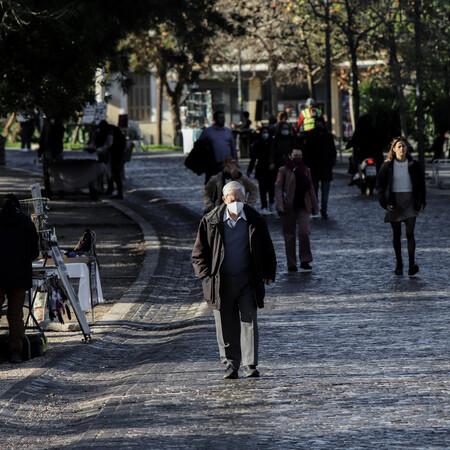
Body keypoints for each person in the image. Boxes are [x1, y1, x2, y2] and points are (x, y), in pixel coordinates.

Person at [192, 181, 276, 379]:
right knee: (225, 324)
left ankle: (250, 364)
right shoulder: (211, 221)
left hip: (248, 279)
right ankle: (230, 364)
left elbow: (267, 248)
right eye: (232, 199)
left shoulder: (255, 220)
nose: (237, 202)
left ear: (245, 199)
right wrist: (205, 275)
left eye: (240, 199)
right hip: (221, 282)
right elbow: (199, 253)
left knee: (249, 322)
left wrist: (269, 272)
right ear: (224, 200)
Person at [376, 137, 426, 276]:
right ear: (394, 149)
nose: (402, 149)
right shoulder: (387, 166)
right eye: (399, 146)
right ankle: (399, 264)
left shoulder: (413, 165)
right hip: (395, 201)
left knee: (410, 233)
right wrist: (384, 203)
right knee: (396, 234)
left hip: (410, 200)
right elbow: (380, 186)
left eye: (404, 146)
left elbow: (421, 185)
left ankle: (412, 264)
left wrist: (422, 201)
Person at [0, 194, 39, 363]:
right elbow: (34, 253)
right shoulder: (26, 223)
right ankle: (16, 350)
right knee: (15, 315)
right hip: (19, 276)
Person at [275, 146, 318, 272]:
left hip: (303, 205)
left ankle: (305, 260)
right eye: (295, 155)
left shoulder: (306, 170)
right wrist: (280, 205)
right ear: (290, 156)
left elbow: (311, 188)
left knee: (304, 232)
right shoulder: (283, 170)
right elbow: (278, 187)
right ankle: (291, 263)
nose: (297, 158)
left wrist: (315, 205)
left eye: (300, 155)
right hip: (289, 206)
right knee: (289, 235)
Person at [303, 121, 337, 219]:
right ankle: (320, 209)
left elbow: (332, 151)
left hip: (320, 168)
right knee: (318, 191)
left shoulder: (320, 135)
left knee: (318, 191)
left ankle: (319, 209)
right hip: (319, 168)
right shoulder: (324, 135)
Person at [198, 111, 238, 184]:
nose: (222, 120)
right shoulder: (208, 131)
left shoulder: (228, 131)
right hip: (212, 163)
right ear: (215, 119)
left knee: (222, 184)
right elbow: (199, 145)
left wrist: (235, 161)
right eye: (220, 118)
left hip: (225, 163)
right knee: (211, 184)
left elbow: (233, 147)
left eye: (223, 118)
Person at [346, 114, 384, 185]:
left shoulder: (359, 131)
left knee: (353, 159)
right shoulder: (375, 130)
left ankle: (356, 174)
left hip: (363, 155)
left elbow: (353, 141)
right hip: (372, 155)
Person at [247, 126, 277, 215]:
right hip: (261, 169)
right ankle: (264, 206)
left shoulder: (272, 143)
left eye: (266, 132)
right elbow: (253, 158)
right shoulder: (257, 144)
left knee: (272, 188)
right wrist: (249, 170)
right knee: (262, 189)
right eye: (263, 132)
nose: (265, 134)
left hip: (271, 170)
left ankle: (271, 203)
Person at [95, 120, 126, 199]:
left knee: (115, 174)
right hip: (116, 154)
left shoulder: (110, 133)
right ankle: (111, 190)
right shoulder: (112, 130)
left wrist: (98, 149)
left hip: (116, 155)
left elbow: (109, 145)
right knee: (111, 173)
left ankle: (119, 193)